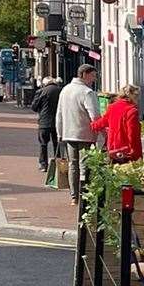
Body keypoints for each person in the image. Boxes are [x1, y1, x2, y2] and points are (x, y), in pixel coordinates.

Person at [56, 64, 103, 205]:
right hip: (85, 134)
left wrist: (59, 132)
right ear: (84, 74)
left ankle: (74, 196)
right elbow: (94, 115)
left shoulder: (65, 90)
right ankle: (85, 195)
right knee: (85, 165)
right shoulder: (87, 92)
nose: (94, 79)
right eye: (93, 76)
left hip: (68, 133)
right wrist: (102, 133)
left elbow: (59, 114)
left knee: (73, 165)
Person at [92, 83, 143, 164]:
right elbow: (132, 134)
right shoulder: (132, 111)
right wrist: (136, 155)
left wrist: (92, 125)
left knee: (113, 173)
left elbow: (103, 122)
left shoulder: (112, 107)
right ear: (133, 96)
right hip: (126, 152)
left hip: (113, 148)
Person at [30, 76, 62, 169]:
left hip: (44, 121)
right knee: (57, 143)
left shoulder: (41, 91)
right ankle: (58, 163)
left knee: (43, 143)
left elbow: (34, 107)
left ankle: (44, 164)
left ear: (44, 83)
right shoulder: (60, 91)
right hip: (57, 121)